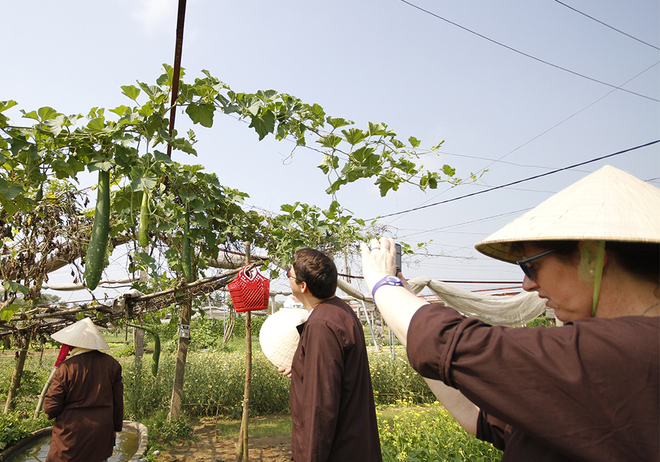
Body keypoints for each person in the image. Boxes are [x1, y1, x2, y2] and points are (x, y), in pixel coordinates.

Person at [361, 165, 659, 461]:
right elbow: (481, 417)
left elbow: (456, 345)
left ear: (591, 258)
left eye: (531, 266)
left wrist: (383, 284)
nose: (527, 284)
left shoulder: (628, 351)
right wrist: (403, 308)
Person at [279, 247, 382, 462]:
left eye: (289, 275)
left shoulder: (321, 326)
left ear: (303, 286)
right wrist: (302, 369)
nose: (288, 278)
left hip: (338, 451)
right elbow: (335, 374)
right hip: (354, 443)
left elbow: (319, 409)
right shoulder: (340, 310)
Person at [44, 317, 124, 462]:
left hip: (71, 434)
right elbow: (118, 403)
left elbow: (51, 407)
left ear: (73, 344)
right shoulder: (112, 365)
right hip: (101, 432)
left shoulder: (66, 368)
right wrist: (115, 427)